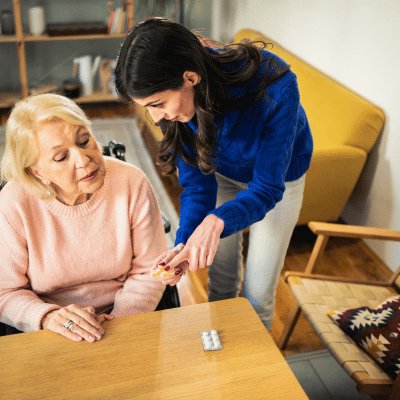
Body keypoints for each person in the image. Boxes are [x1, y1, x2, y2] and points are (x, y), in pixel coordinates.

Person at [114, 18, 313, 330]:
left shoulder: (276, 85)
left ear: (190, 76)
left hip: (278, 181)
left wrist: (218, 220)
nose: (156, 117)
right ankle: (224, 366)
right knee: (220, 281)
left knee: (258, 294)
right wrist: (183, 241)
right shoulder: (175, 108)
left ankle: (252, 372)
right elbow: (196, 188)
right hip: (222, 174)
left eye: (158, 104)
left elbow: (266, 188)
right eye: (147, 108)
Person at [0, 93, 167, 341]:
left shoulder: (132, 182)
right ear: (37, 172)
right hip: (51, 330)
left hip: (126, 318)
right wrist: (47, 317)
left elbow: (150, 271)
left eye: (84, 140)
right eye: (61, 157)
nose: (83, 159)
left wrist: (119, 322)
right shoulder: (15, 202)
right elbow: (6, 291)